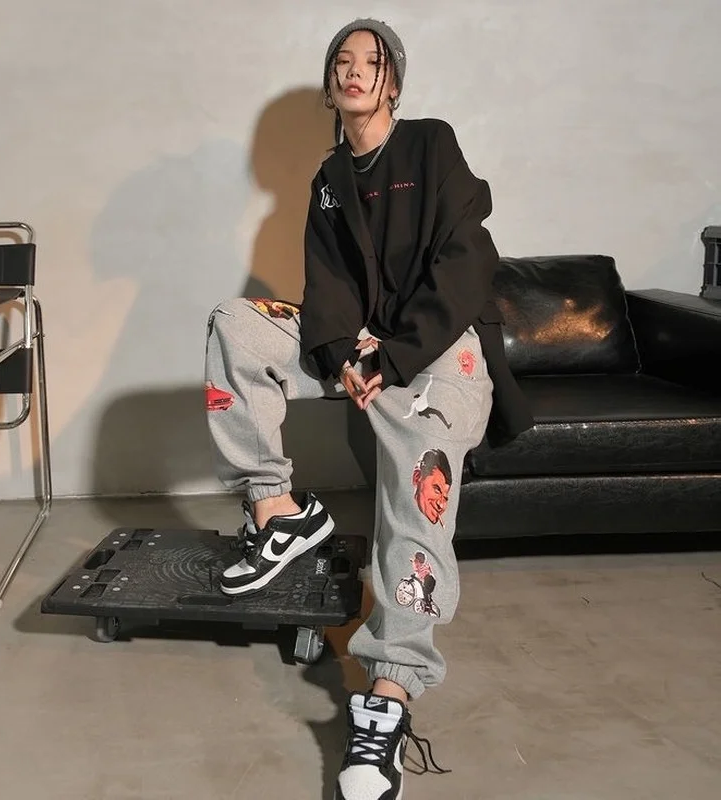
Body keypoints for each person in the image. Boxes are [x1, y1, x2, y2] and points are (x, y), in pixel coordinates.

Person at [204, 17, 533, 799]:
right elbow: (326, 289)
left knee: (418, 480)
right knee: (236, 324)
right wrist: (341, 357)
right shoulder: (328, 180)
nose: (355, 71)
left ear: (393, 83)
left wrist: (394, 355)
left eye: (372, 62)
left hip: (441, 354)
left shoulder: (430, 145)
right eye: (342, 62)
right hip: (367, 351)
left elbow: (468, 260)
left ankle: (389, 693)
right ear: (331, 84)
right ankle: (278, 510)